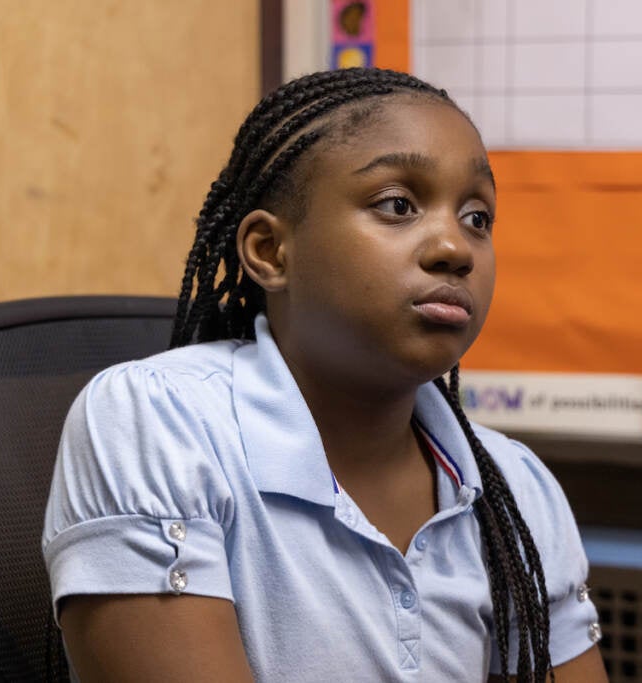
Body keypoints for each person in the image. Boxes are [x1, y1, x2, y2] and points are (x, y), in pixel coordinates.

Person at [42, 67, 606, 683]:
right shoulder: (157, 420)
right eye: (398, 205)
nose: (455, 247)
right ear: (270, 252)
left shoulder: (513, 484)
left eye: (477, 216)